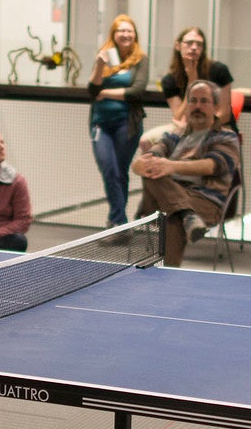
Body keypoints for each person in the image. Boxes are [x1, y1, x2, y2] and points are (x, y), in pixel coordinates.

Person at [134, 80, 241, 267]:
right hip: (169, 198)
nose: (197, 106)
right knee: (152, 171)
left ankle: (167, 276)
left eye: (203, 101)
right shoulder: (175, 134)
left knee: (171, 217)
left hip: (204, 201)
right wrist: (138, 166)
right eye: (193, 101)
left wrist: (171, 166)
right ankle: (187, 216)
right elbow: (150, 157)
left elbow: (212, 165)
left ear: (215, 106)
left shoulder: (227, 137)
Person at [87, 14, 149, 227]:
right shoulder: (105, 56)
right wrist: (98, 66)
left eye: (129, 31)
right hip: (100, 124)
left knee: (120, 172)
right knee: (108, 169)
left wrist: (106, 94)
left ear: (135, 35)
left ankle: (116, 223)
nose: (125, 34)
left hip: (126, 124)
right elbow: (92, 90)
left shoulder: (141, 59)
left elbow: (137, 91)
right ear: (114, 34)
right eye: (121, 30)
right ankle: (120, 223)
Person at [158, 26, 234, 130]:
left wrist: (200, 129)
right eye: (189, 43)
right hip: (186, 129)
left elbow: (224, 114)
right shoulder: (169, 79)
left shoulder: (219, 70)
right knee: (148, 140)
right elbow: (178, 117)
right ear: (178, 45)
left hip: (217, 128)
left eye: (199, 44)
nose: (194, 47)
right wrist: (191, 82)